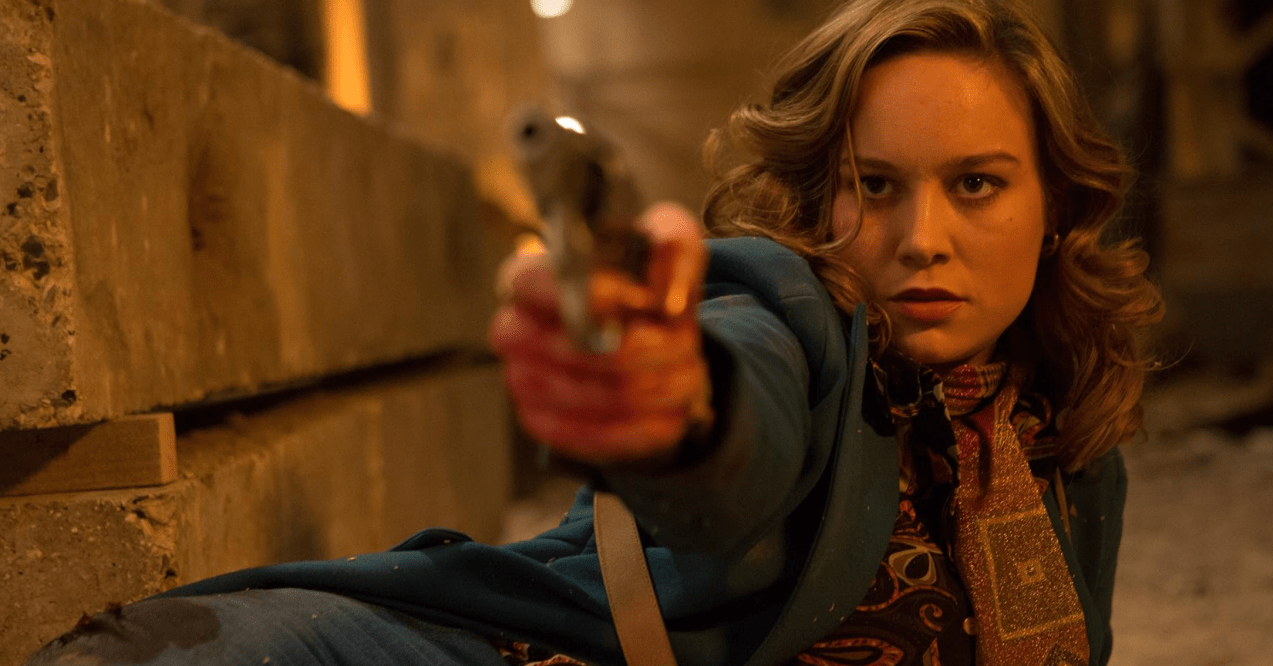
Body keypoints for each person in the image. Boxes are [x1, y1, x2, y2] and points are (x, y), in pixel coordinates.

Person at [25, 0, 1161, 665]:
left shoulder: (1061, 433)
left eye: (976, 184)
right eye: (876, 184)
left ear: (1053, 203)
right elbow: (739, 417)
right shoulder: (796, 310)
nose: (922, 238)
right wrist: (672, 406)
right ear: (821, 199)